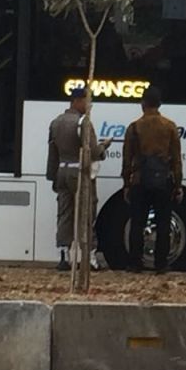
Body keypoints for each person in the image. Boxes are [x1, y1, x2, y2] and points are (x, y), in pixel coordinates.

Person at [46, 87, 110, 271]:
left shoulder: (56, 122)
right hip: (79, 172)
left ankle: (64, 256)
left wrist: (52, 176)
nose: (89, 105)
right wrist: (104, 147)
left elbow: (52, 153)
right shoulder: (83, 123)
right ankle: (90, 258)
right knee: (86, 214)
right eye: (87, 101)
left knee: (64, 214)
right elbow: (93, 152)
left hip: (62, 171)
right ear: (77, 101)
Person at [122, 87, 183, 273]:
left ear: (143, 104)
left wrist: (126, 183)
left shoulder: (134, 127)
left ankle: (135, 263)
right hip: (163, 181)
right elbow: (176, 159)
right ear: (159, 104)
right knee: (163, 223)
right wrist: (178, 185)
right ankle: (161, 264)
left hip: (139, 180)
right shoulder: (170, 126)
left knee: (137, 223)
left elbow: (127, 159)